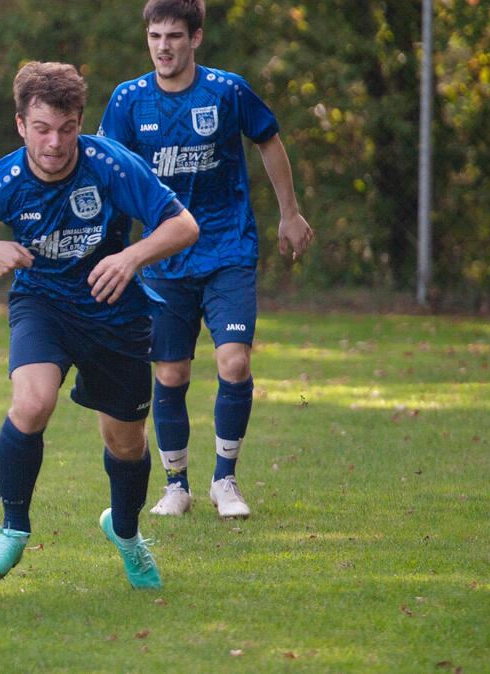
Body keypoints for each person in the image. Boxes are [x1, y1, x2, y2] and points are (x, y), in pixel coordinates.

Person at [0, 62, 199, 589]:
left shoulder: (110, 164)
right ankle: (12, 529)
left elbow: (183, 224)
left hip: (114, 308)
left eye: (67, 128)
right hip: (42, 304)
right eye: (43, 128)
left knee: (126, 443)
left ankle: (125, 533)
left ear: (80, 122)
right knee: (32, 403)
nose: (55, 143)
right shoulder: (1, 180)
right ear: (21, 124)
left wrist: (132, 257)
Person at [98, 0, 314, 519]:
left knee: (233, 360)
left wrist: (290, 213)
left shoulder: (227, 90)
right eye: (155, 37)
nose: (163, 47)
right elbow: (111, 178)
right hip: (164, 261)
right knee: (171, 374)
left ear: (195, 38)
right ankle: (177, 485)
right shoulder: (128, 100)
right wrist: (110, 251)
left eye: (174, 36)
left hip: (227, 249)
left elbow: (268, 140)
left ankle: (225, 480)